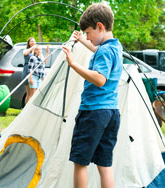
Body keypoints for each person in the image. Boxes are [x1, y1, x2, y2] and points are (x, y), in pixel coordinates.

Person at [62, 3, 123, 188]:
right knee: (104, 164)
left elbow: (99, 79)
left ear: (100, 26)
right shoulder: (115, 47)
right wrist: (82, 40)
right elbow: (98, 51)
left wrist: (73, 64)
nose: (88, 36)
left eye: (88, 32)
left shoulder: (105, 51)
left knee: (80, 163)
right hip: (111, 113)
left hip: (93, 113)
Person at [23, 37, 36, 105]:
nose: (33, 42)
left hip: (35, 72)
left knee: (33, 93)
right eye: (31, 41)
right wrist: (32, 48)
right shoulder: (26, 50)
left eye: (34, 41)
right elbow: (25, 53)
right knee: (29, 93)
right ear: (28, 43)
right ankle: (26, 109)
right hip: (27, 71)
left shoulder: (36, 51)